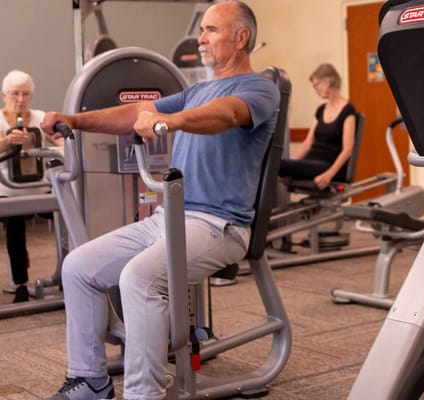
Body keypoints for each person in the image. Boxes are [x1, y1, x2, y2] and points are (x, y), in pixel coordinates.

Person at [38, 1, 279, 399]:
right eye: (202, 30)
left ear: (241, 38)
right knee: (78, 267)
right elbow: (136, 111)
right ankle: (89, 381)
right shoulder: (196, 92)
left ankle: (143, 394)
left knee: (139, 278)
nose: (201, 39)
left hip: (218, 226)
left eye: (211, 30)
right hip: (168, 218)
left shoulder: (258, 89)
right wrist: (75, 121)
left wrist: (171, 120)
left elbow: (226, 115)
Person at [0, 70, 63, 303]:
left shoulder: (40, 117)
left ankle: (67, 274)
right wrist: (7, 142)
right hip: (9, 191)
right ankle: (21, 286)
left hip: (41, 188)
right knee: (15, 227)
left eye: (25, 94)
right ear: (4, 95)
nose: (20, 99)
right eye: (15, 93)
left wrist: (66, 145)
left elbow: (59, 141)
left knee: (68, 216)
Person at [278, 63, 357, 189]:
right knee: (277, 165)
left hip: (328, 165)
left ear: (328, 81)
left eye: (316, 84)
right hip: (311, 163)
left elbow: (348, 149)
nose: (315, 89)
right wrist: (291, 166)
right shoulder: (321, 110)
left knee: (276, 164)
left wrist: (329, 174)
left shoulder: (348, 111)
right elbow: (307, 143)